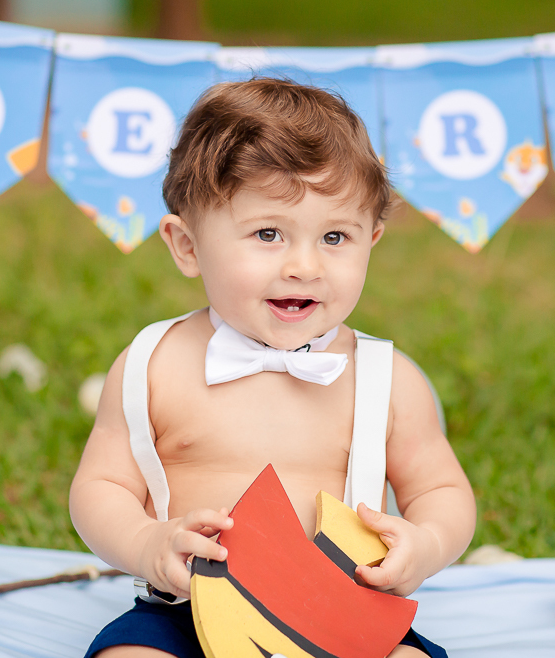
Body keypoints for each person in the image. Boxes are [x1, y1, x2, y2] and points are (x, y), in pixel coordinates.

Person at [70, 78, 476, 658]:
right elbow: (101, 485)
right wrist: (146, 542)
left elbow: (441, 488)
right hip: (190, 609)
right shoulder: (153, 364)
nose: (304, 266)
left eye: (335, 236)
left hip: (342, 611)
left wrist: (427, 542)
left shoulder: (386, 378)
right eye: (268, 234)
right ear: (187, 245)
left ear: (373, 241)